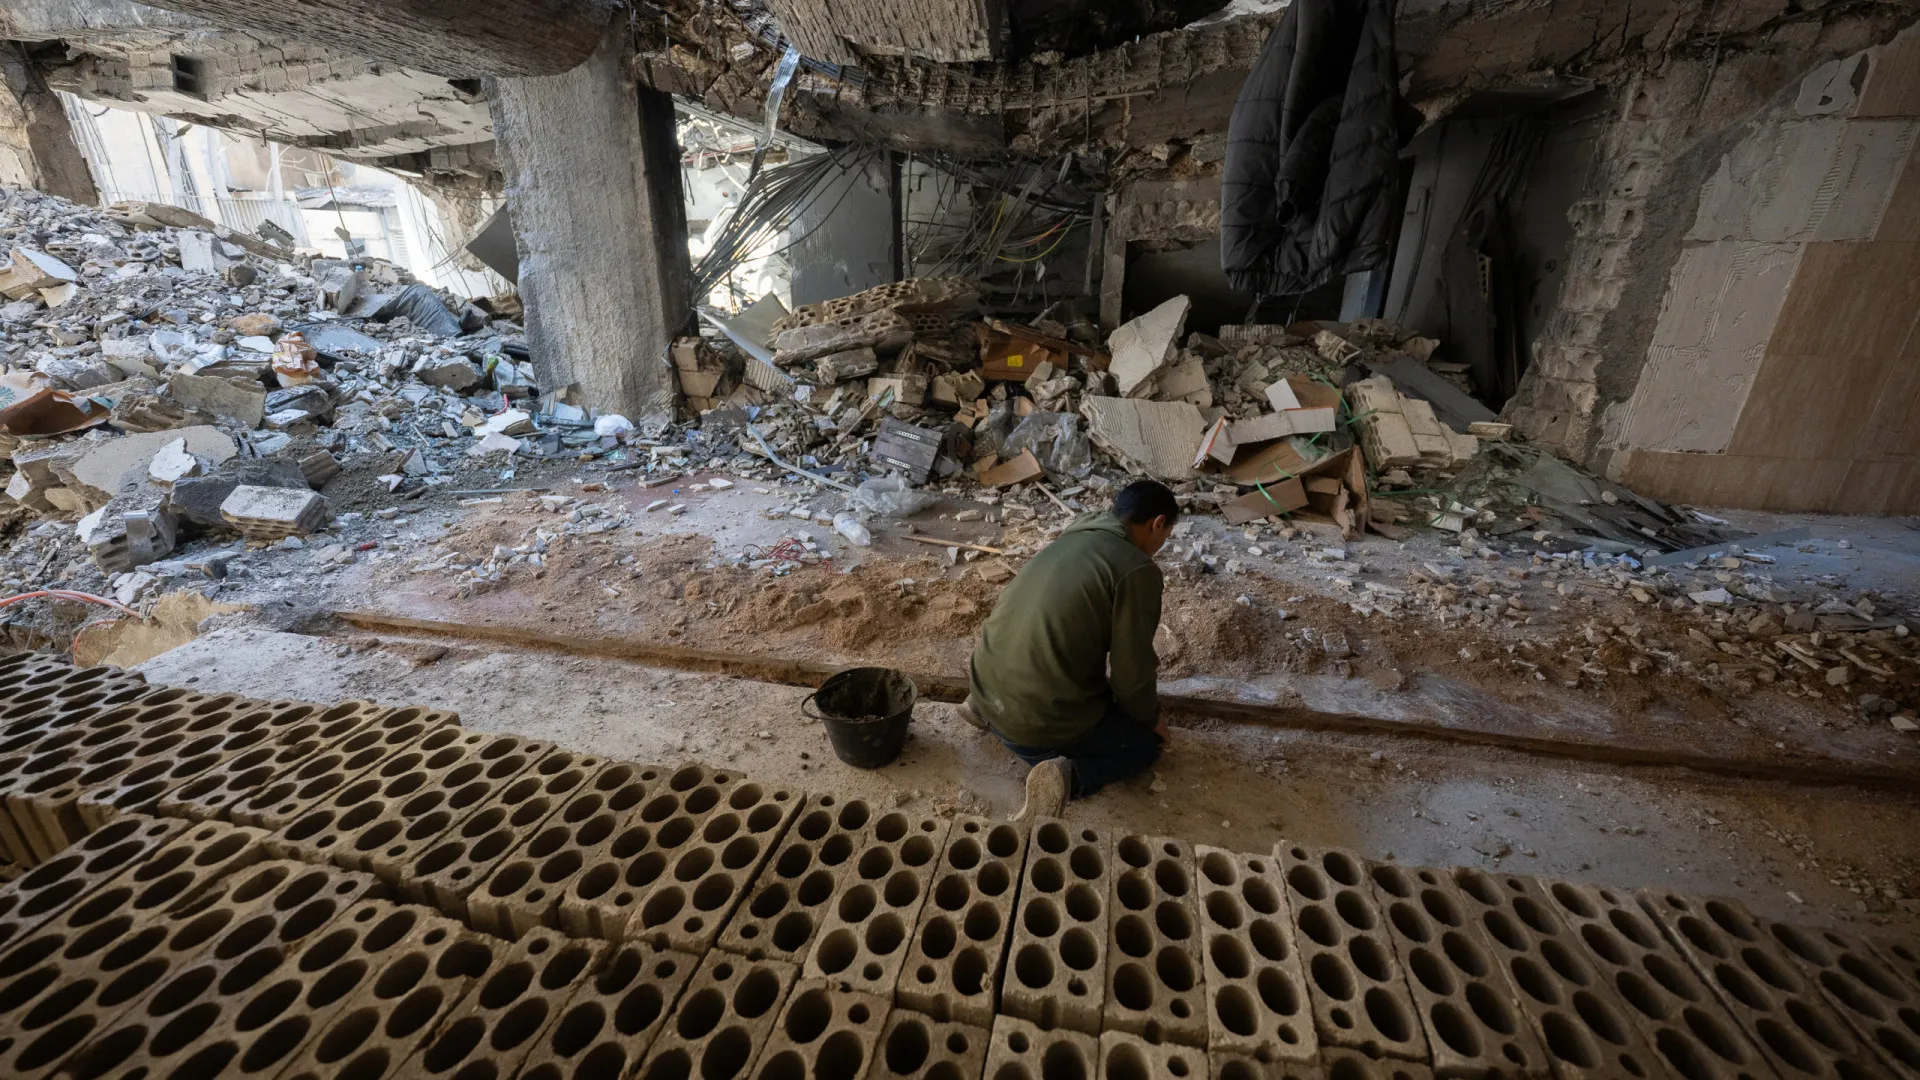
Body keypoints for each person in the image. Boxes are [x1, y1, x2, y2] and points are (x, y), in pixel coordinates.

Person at [962, 479, 1177, 821]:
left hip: (984, 685)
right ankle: (1068, 777)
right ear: (1158, 523)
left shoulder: (1074, 536)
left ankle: (985, 710)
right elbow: (1130, 673)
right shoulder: (1136, 569)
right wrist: (1151, 719)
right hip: (1029, 724)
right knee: (1142, 746)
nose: (1161, 544)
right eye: (1165, 536)